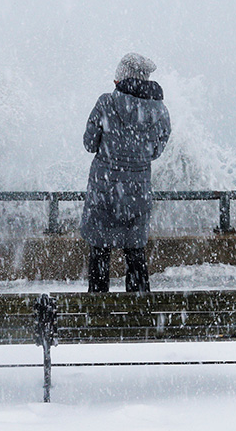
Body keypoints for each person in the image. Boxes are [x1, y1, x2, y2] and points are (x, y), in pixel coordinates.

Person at [80, 53, 171, 293]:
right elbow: (155, 150)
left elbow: (90, 144)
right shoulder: (160, 111)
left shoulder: (105, 103)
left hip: (104, 192)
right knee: (135, 256)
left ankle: (97, 317)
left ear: (120, 79)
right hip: (137, 194)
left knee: (100, 253)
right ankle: (139, 318)